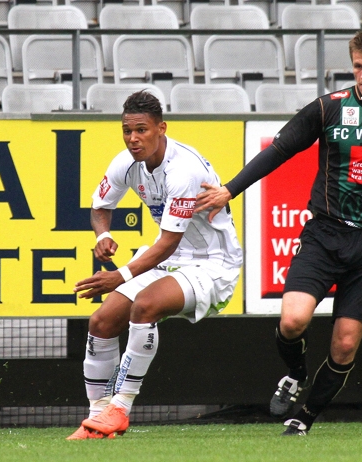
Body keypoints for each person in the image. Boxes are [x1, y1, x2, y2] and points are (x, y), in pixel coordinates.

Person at [195, 29, 362, 436]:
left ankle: (303, 418)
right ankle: (294, 373)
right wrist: (229, 189)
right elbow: (281, 148)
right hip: (325, 234)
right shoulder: (330, 108)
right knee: (292, 322)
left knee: (344, 345)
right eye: (357, 66)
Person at [66, 90, 243, 440]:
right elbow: (100, 206)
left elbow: (167, 243)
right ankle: (96, 417)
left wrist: (119, 275)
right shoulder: (125, 163)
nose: (134, 138)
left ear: (161, 128)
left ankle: (121, 407)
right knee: (101, 321)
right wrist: (102, 236)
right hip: (170, 259)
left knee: (145, 306)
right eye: (127, 130)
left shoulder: (184, 170)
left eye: (142, 130)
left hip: (212, 265)